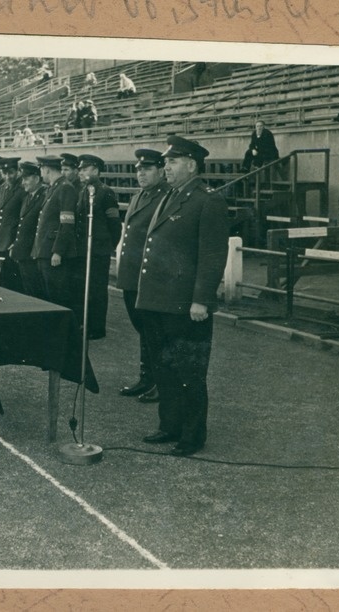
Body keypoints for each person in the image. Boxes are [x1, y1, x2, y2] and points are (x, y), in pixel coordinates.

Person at [137, 135, 229, 457]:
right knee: (164, 368)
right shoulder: (171, 196)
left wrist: (202, 299)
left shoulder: (207, 200)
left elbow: (213, 255)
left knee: (189, 372)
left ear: (191, 165)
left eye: (172, 161)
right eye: (165, 162)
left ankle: (192, 435)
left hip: (185, 305)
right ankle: (170, 425)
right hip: (158, 301)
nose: (166, 167)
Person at [116, 148, 170, 403]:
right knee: (144, 330)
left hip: (148, 275)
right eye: (139, 169)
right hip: (132, 274)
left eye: (147, 169)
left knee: (154, 331)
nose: (141, 174)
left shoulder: (165, 196)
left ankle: (161, 382)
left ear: (161, 171)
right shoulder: (140, 196)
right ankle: (147, 378)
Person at [72, 154, 122, 340]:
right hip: (83, 249)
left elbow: (114, 224)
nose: (81, 172)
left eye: (85, 169)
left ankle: (97, 328)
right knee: (83, 288)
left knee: (97, 289)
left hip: (98, 250)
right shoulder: (83, 190)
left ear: (95, 171)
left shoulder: (105, 192)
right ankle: (85, 323)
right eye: (81, 169)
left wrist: (107, 247)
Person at [31, 155, 78, 308]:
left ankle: (62, 331)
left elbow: (67, 223)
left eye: (42, 170)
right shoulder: (54, 187)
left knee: (58, 296)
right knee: (49, 295)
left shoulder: (65, 188)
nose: (41, 174)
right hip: (44, 250)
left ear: (47, 169)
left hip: (53, 252)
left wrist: (58, 251)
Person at [10, 161, 48, 299]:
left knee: (36, 293)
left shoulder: (44, 196)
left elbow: (39, 227)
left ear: (37, 179)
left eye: (26, 179)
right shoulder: (28, 197)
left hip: (33, 254)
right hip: (23, 252)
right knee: (27, 291)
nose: (23, 183)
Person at [0, 157, 26, 293]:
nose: (7, 176)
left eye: (11, 173)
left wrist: (16, 241)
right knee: (2, 281)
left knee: (14, 283)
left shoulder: (22, 189)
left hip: (12, 240)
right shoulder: (3, 187)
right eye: (4, 173)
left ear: (18, 172)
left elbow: (22, 218)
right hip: (1, 240)